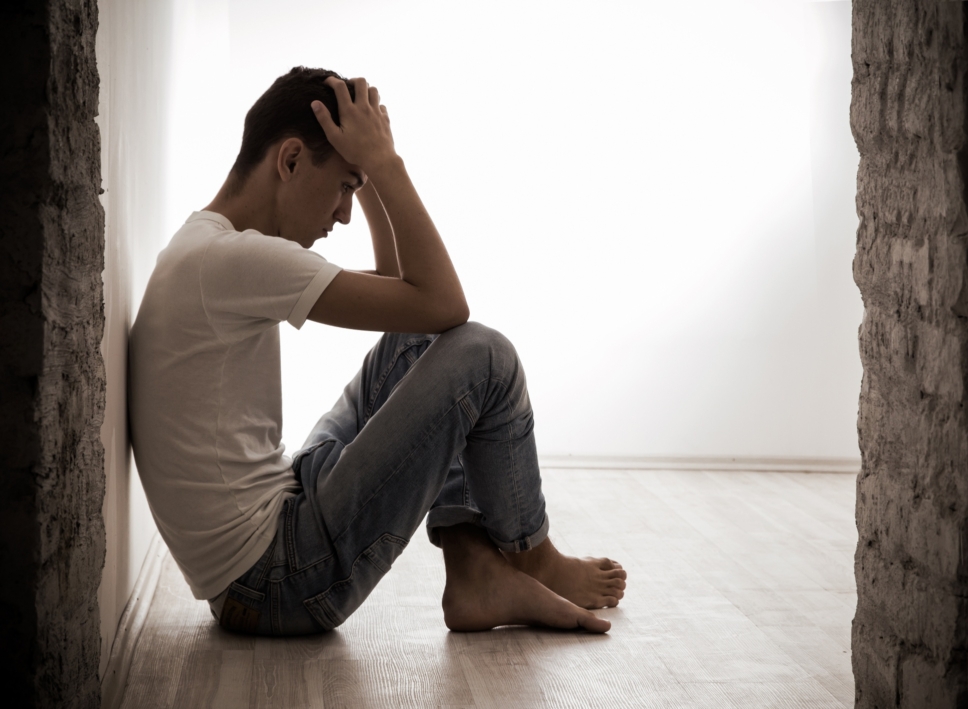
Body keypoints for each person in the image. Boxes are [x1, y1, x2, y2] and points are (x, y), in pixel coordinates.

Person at [129, 66, 626, 636]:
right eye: (343, 186)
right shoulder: (235, 260)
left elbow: (400, 290)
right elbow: (444, 303)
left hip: (269, 553)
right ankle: (532, 558)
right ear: (290, 161)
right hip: (279, 580)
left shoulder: (207, 247)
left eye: (354, 191)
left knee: (414, 341)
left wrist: (363, 167)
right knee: (485, 355)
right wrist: (388, 166)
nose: (344, 213)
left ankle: (473, 570)